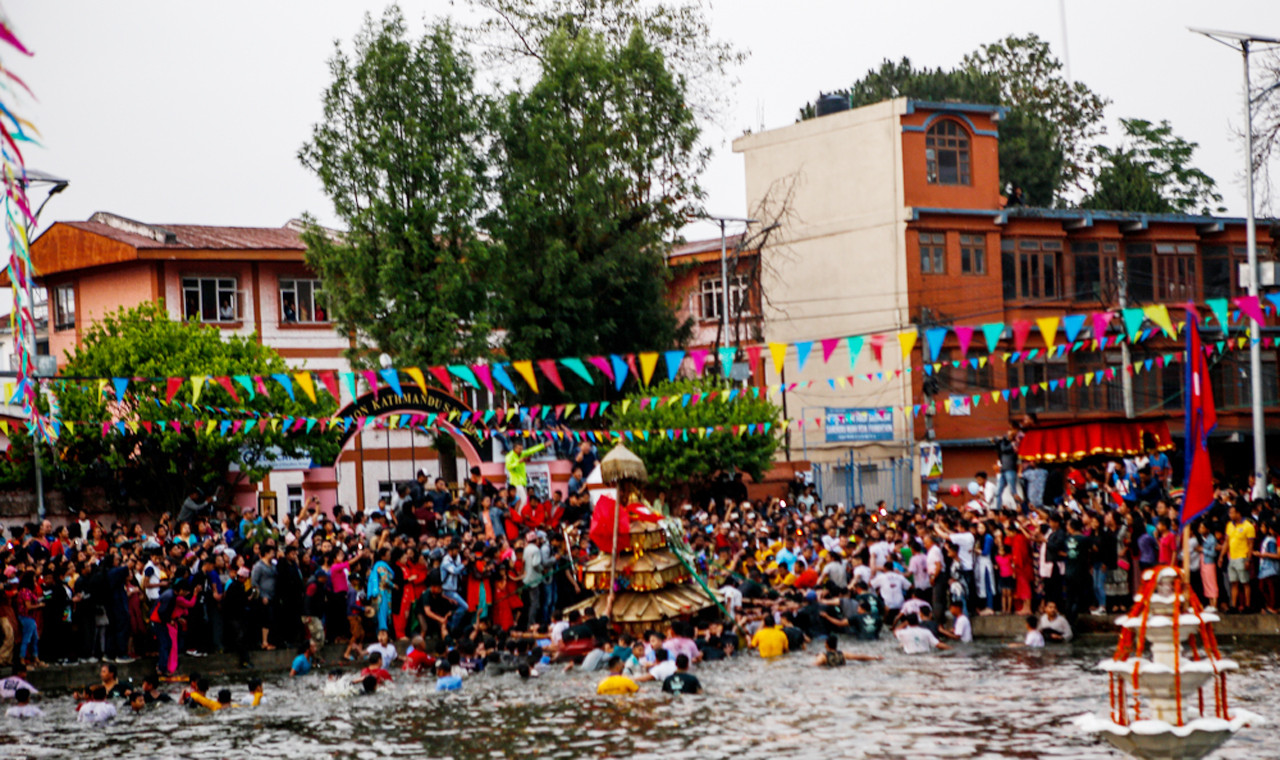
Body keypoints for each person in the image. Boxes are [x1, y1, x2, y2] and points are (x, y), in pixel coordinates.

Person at [1225, 505, 1256, 611]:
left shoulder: (1248, 526)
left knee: (1245, 582)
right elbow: (1226, 541)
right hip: (1232, 557)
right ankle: (1233, 605)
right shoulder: (1229, 525)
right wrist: (1221, 556)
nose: (1230, 515)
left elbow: (1251, 544)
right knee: (1234, 582)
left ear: (1238, 513)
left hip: (1242, 557)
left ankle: (1247, 605)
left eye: (1232, 513)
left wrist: (1248, 559)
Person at [505, 441, 547, 513]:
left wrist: (543, 445)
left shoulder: (522, 454)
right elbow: (508, 467)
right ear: (514, 448)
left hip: (523, 482)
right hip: (516, 483)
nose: (521, 450)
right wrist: (518, 462)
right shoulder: (509, 456)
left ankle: (519, 515)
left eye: (521, 448)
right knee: (523, 500)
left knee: (522, 501)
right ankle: (519, 515)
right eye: (519, 448)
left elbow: (531, 450)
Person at [812, 633, 881, 667]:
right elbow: (859, 657)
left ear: (826, 644)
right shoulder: (843, 654)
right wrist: (875, 657)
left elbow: (815, 665)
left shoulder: (823, 656)